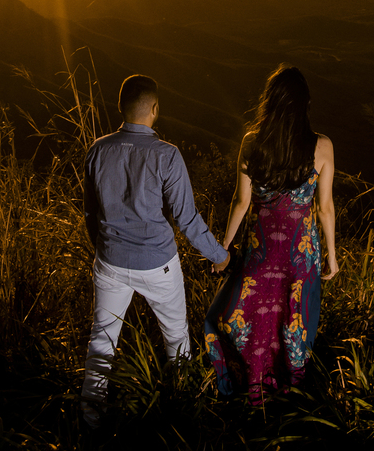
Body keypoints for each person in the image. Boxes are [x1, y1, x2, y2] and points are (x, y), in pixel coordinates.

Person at [80, 74, 231, 428]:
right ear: (155, 110)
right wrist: (219, 255)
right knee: (176, 337)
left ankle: (89, 419)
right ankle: (184, 409)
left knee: (102, 341)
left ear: (122, 108)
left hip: (110, 262)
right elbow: (186, 218)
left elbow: (90, 212)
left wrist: (102, 248)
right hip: (159, 264)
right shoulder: (167, 155)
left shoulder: (98, 149)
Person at [204, 65, 338, 398]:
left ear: (270, 102)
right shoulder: (321, 147)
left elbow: (240, 202)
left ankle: (250, 387)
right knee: (293, 325)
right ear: (305, 104)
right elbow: (324, 208)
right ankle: (290, 394)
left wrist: (222, 248)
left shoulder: (253, 143)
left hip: (260, 250)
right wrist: (332, 256)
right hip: (301, 255)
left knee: (242, 317)